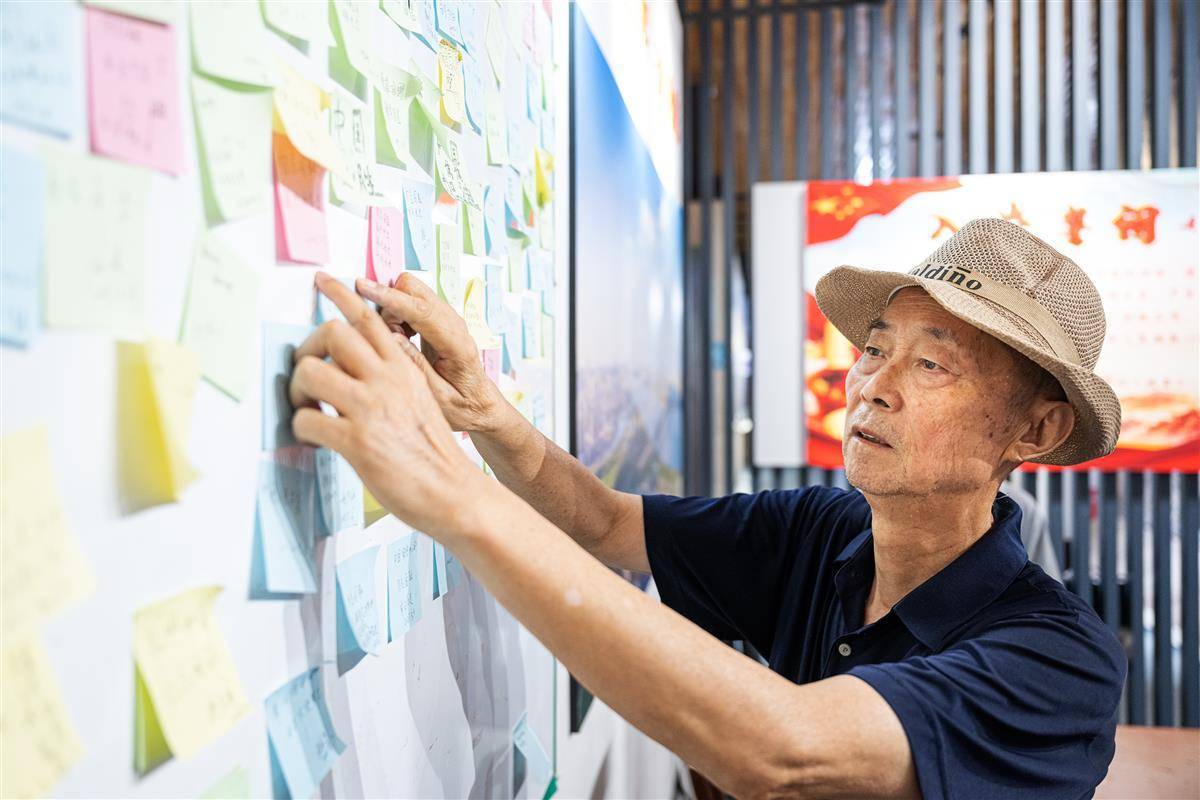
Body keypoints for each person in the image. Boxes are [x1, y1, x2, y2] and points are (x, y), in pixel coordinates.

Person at [288, 218, 1127, 799]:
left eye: (932, 366)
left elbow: (787, 751)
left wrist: (447, 489)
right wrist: (485, 414)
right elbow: (608, 523)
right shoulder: (824, 531)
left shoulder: (1060, 661)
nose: (874, 385)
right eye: (875, 349)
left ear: (1037, 430)